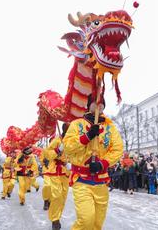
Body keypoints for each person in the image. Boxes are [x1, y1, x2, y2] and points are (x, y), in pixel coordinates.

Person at [63, 94, 123, 230]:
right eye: (95, 103)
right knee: (86, 220)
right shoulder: (77, 124)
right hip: (82, 181)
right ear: (89, 105)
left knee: (97, 223)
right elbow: (67, 147)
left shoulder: (110, 127)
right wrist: (87, 136)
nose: (98, 106)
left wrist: (103, 163)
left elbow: (117, 149)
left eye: (101, 103)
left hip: (101, 183)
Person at [42, 123, 70, 230]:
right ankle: (55, 219)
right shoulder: (57, 140)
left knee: (63, 197)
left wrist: (71, 163)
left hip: (66, 172)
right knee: (57, 195)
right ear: (65, 130)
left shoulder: (74, 141)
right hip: (55, 171)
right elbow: (47, 154)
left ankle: (57, 216)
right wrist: (58, 150)